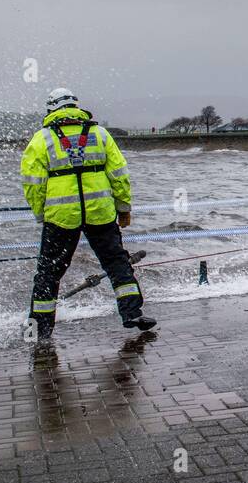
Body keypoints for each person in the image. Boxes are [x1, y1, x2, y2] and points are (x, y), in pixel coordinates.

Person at [20, 88, 154, 339]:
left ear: (51, 110)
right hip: (101, 212)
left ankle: (40, 329)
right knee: (117, 263)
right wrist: (123, 209)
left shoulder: (41, 139)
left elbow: (33, 184)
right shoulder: (100, 134)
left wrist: (40, 214)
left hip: (60, 216)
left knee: (49, 272)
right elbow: (120, 175)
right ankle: (132, 313)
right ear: (76, 107)